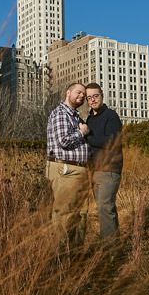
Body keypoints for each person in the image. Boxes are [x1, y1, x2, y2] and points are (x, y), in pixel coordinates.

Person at [46, 82, 91, 247]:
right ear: (68, 93)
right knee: (64, 213)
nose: (81, 97)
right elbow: (63, 140)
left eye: (83, 96)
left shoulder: (74, 115)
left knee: (79, 213)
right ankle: (61, 256)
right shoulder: (60, 114)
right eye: (78, 93)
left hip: (77, 170)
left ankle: (76, 256)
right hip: (66, 170)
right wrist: (82, 132)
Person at [83, 82, 123, 240]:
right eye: (89, 98)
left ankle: (109, 249)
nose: (92, 100)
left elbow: (112, 142)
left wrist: (88, 136)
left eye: (95, 96)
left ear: (102, 96)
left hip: (109, 169)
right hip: (95, 170)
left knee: (105, 208)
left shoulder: (111, 116)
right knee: (106, 208)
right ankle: (115, 245)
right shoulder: (90, 118)